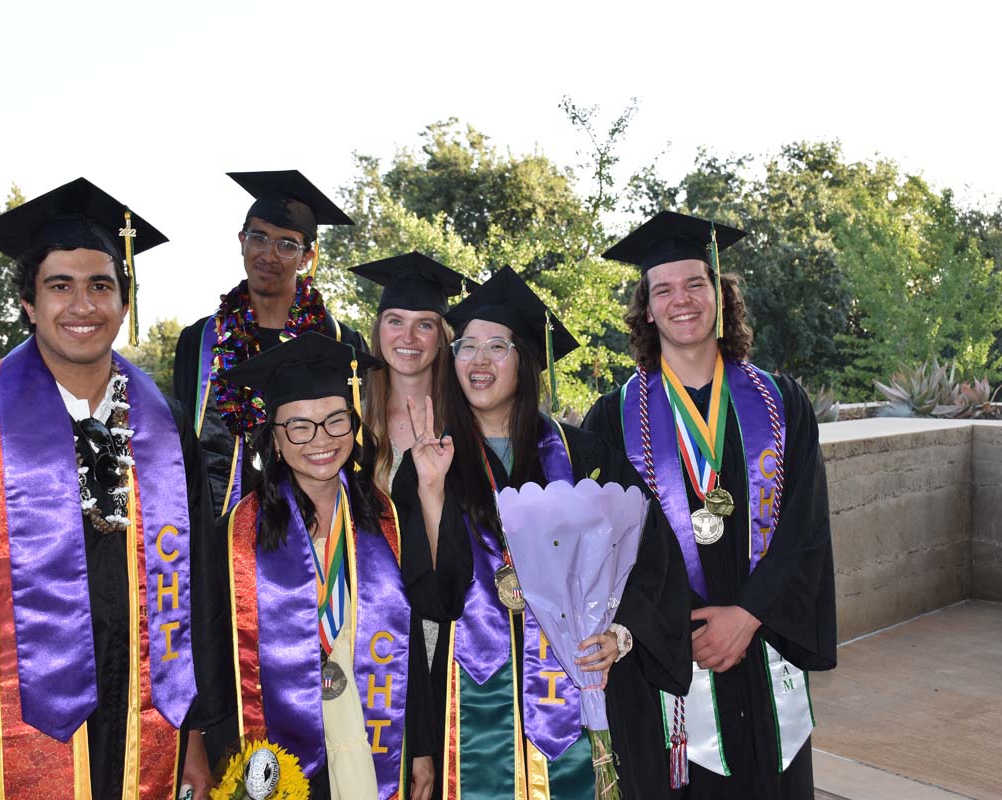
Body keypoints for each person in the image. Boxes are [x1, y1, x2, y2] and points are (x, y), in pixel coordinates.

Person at [0, 178, 229, 798]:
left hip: (146, 737)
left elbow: (194, 603)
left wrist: (193, 739)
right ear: (29, 302)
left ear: (123, 302)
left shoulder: (166, 429)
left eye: (100, 285)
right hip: (6, 746)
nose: (83, 305)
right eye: (60, 286)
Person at [393, 266, 691, 798]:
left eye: (498, 346)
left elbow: (652, 556)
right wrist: (433, 492)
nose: (478, 360)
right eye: (466, 346)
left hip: (585, 692)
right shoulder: (430, 461)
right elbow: (432, 599)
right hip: (472, 704)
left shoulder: (585, 455)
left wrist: (621, 634)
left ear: (526, 361)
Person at [583, 211, 837, 800]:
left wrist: (747, 616)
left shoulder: (781, 404)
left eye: (696, 283)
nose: (682, 301)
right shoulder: (613, 420)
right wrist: (677, 627)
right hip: (675, 660)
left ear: (720, 294)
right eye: (663, 289)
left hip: (764, 641)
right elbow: (609, 552)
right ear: (646, 308)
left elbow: (805, 525)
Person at [209, 331, 437, 800]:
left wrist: (421, 747)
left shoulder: (383, 517)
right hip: (280, 749)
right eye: (299, 426)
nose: (320, 440)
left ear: (354, 424)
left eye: (335, 421)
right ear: (273, 436)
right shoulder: (236, 534)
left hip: (375, 732)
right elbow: (214, 656)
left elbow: (407, 639)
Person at [172, 170, 365, 519]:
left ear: (307, 257)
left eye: (287, 244)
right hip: (216, 532)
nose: (269, 254)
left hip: (315, 532)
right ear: (242, 240)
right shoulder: (198, 342)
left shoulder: (340, 342)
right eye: (259, 238)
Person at [349, 251, 477, 492]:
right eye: (395, 321)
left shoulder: (467, 420)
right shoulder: (354, 421)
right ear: (379, 332)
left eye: (425, 325)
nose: (408, 337)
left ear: (441, 338)